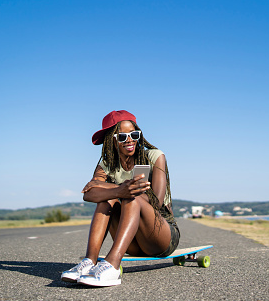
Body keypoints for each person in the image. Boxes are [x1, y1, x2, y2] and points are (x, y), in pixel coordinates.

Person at [61, 110, 180, 287]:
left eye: (134, 134)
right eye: (122, 136)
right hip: (132, 242)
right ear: (111, 139)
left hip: (160, 235)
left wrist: (116, 190)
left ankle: (112, 265)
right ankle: (89, 262)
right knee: (107, 200)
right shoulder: (107, 164)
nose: (130, 140)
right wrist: (119, 190)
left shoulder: (153, 156)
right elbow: (89, 194)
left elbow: (157, 202)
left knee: (133, 198)